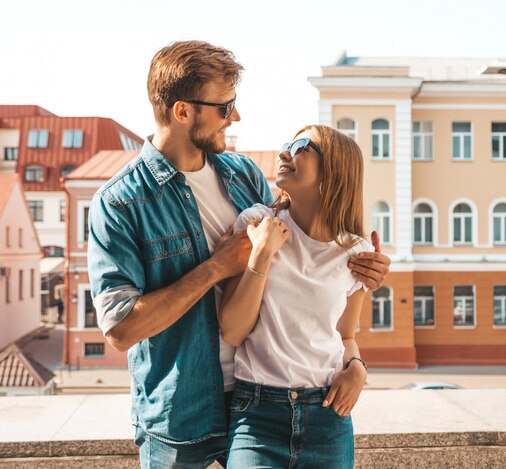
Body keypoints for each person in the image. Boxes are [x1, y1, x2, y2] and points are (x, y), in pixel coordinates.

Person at [87, 40, 390, 468]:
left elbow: (298, 266)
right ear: (182, 111)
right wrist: (214, 269)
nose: (236, 116)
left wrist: (364, 281)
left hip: (262, 400)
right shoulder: (119, 202)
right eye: (225, 107)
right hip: (181, 416)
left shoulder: (243, 174)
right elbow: (120, 330)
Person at [220, 125, 372, 468]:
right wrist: (261, 255)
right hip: (256, 413)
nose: (284, 153)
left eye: (301, 146)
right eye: (286, 145)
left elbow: (345, 335)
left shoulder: (356, 252)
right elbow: (232, 330)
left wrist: (357, 369)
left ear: (334, 168)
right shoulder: (257, 223)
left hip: (327, 415)